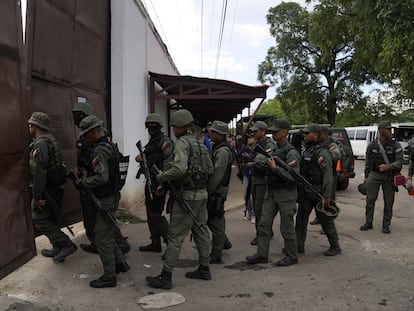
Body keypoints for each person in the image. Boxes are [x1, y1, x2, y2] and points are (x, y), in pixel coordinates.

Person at [146, 109, 213, 290]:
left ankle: (165, 277)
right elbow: (210, 169)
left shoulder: (182, 143)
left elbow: (180, 169)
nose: (173, 130)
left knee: (175, 237)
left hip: (187, 197)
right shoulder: (200, 144)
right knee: (201, 230)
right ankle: (204, 269)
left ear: (180, 127)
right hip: (201, 195)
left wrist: (163, 177)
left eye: (174, 126)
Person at [76, 116, 129, 288]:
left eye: (86, 134)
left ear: (93, 132)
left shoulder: (99, 150)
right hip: (112, 196)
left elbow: (101, 177)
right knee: (107, 233)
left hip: (104, 198)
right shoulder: (110, 146)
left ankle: (109, 276)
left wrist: (83, 183)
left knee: (102, 238)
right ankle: (120, 263)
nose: (84, 137)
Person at [72, 102, 130, 255]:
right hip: (91, 176)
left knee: (98, 218)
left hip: (95, 181)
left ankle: (112, 245)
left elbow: (99, 161)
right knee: (101, 218)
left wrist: (85, 179)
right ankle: (104, 243)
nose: (76, 120)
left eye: (79, 116)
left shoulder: (97, 136)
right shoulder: (89, 134)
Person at [246, 119, 300, 266]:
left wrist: (275, 168)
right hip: (272, 192)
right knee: (263, 224)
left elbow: (293, 177)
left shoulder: (291, 153)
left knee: (286, 227)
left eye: (276, 131)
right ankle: (262, 254)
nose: (273, 134)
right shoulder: (274, 150)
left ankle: (291, 256)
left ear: (284, 132)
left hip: (286, 195)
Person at [28, 112, 77, 262]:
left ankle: (66, 244)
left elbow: (40, 171)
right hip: (54, 187)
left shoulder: (41, 143)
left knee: (39, 219)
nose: (29, 126)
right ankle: (58, 249)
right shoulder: (51, 140)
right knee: (50, 218)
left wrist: (37, 196)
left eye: (31, 124)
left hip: (46, 189)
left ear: (37, 126)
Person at [295, 124, 341, 256]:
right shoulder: (308, 150)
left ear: (315, 134)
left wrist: (326, 196)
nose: (304, 136)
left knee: (326, 220)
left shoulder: (322, 153)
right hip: (307, 191)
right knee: (301, 220)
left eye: (307, 133)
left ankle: (335, 246)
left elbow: (327, 176)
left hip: (318, 192)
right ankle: (298, 246)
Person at [135, 113, 174, 253]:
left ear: (159, 126)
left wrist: (162, 184)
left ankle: (172, 243)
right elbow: (150, 156)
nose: (151, 127)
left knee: (156, 214)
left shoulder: (165, 142)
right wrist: (141, 156)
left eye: (154, 125)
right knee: (150, 214)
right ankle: (155, 242)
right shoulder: (152, 142)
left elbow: (168, 164)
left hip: (159, 183)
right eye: (148, 125)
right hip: (150, 181)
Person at [360, 120, 403, 234]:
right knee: (370, 199)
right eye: (387, 129)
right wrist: (366, 175)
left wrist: (388, 166)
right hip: (374, 175)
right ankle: (368, 222)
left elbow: (400, 162)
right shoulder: (372, 145)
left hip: (389, 176)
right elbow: (368, 161)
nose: (390, 131)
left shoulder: (395, 145)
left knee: (388, 202)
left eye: (390, 129)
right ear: (381, 130)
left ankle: (386, 224)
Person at [207, 120, 234, 264]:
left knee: (215, 221)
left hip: (217, 191)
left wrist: (208, 191)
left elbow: (217, 174)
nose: (210, 133)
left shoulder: (222, 151)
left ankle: (216, 254)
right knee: (217, 218)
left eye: (213, 131)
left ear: (219, 134)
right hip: (217, 191)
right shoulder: (217, 147)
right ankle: (224, 242)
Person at [246, 121, 276, 245]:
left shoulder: (269, 144)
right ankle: (266, 231)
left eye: (256, 131)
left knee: (260, 209)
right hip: (255, 179)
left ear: (263, 132)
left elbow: (263, 161)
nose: (253, 133)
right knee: (257, 207)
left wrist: (253, 164)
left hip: (262, 180)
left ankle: (262, 234)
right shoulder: (258, 144)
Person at [310, 126, 341, 226]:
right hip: (319, 174)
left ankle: (328, 221)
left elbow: (336, 156)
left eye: (320, 133)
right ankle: (318, 217)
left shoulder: (331, 144)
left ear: (325, 134)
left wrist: (325, 155)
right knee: (319, 198)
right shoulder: (319, 144)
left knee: (329, 198)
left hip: (330, 174)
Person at [235, 133, 256, 223]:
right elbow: (237, 155)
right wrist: (235, 146)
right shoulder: (245, 147)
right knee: (246, 195)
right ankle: (250, 213)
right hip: (246, 173)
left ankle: (254, 215)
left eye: (251, 137)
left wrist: (249, 157)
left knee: (253, 196)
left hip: (254, 174)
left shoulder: (257, 148)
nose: (249, 139)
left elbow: (256, 159)